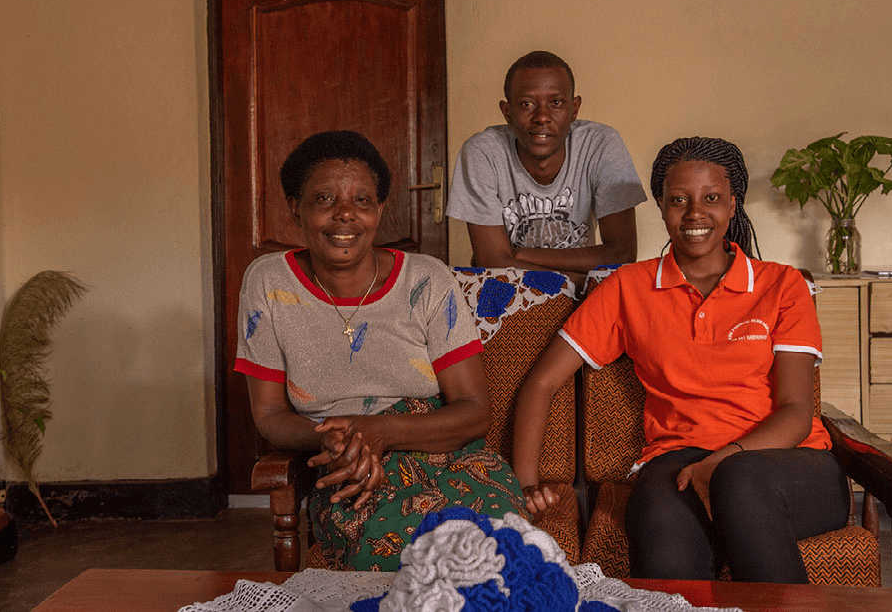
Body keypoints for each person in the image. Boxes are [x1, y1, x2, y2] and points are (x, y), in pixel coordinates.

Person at [511, 137, 850, 584]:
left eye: (711, 198)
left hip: (790, 463)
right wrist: (520, 489)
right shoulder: (627, 288)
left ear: (733, 205)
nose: (695, 212)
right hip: (677, 460)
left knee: (738, 482)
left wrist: (721, 463)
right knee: (659, 514)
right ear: (662, 208)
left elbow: (796, 413)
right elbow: (541, 384)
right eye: (678, 200)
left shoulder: (782, 286)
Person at [236, 131, 526, 571]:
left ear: (380, 209)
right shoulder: (268, 283)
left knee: (501, 558)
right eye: (325, 199)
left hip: (448, 454)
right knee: (390, 557)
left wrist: (380, 431)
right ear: (296, 207)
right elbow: (270, 416)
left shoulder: (428, 281)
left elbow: (474, 411)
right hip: (351, 469)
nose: (345, 214)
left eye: (362, 201)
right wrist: (338, 439)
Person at [446, 50, 647, 279]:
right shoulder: (482, 153)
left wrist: (522, 255)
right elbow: (492, 262)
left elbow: (622, 254)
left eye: (556, 102)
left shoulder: (601, 145)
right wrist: (583, 282)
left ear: (574, 109)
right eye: (527, 104)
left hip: (559, 294)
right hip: (514, 296)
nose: (542, 116)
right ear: (507, 112)